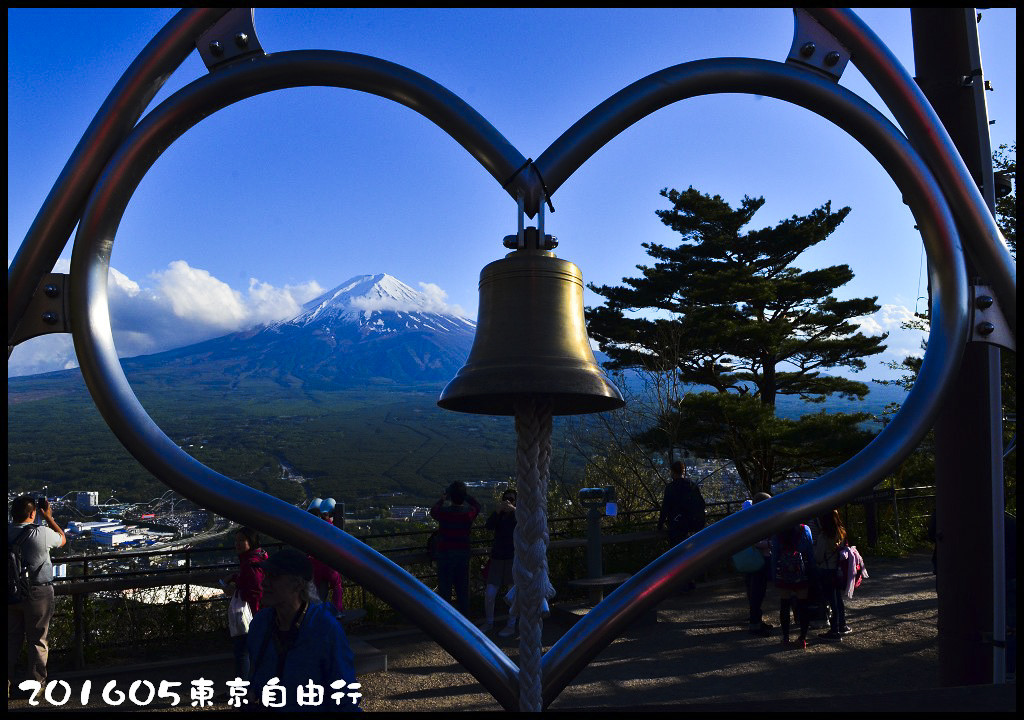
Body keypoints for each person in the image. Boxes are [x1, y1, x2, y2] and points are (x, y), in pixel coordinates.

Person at [248, 548, 359, 712]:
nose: (264, 582)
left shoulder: (325, 628)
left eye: (274, 576)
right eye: (265, 575)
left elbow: (344, 694)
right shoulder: (260, 624)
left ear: (298, 584)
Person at [8, 495, 66, 695]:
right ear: (33, 513)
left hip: (9, 593)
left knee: (11, 639)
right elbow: (62, 539)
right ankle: (35, 683)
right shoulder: (41, 533)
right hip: (37, 592)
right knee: (38, 639)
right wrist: (49, 517)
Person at [429, 481, 481, 616]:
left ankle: (446, 621)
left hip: (445, 555)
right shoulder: (468, 513)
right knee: (462, 590)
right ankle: (465, 621)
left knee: (445, 591)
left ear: (450, 496)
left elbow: (433, 511)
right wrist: (465, 495)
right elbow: (477, 506)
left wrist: (442, 499)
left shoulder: (444, 513)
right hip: (463, 554)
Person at [225, 527, 268, 679]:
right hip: (259, 614)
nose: (237, 544)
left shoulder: (250, 564)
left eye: (241, 540)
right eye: (236, 540)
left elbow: (256, 591)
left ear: (251, 541)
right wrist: (236, 578)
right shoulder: (258, 558)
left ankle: (242, 690)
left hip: (251, 615)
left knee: (242, 653)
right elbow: (250, 581)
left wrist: (235, 591)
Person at [657, 461, 705, 590]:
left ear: (673, 472)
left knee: (676, 556)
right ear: (683, 471)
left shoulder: (671, 488)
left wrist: (660, 525)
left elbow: (665, 508)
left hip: (676, 527)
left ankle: (679, 583)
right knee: (689, 555)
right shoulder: (691, 486)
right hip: (690, 526)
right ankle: (690, 580)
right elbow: (700, 505)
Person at [771, 522, 816, 649]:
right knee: (803, 605)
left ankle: (785, 638)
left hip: (784, 574)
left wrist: (774, 575)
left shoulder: (778, 531)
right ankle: (802, 638)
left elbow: (774, 556)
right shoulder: (805, 530)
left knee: (784, 605)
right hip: (801, 573)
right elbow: (810, 553)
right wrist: (812, 572)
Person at [481, 490, 517, 637]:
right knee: (490, 593)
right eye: (505, 498)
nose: (507, 501)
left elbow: (526, 521)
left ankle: (511, 624)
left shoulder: (517, 515)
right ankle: (489, 622)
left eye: (511, 499)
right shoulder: (499, 515)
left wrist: (514, 510)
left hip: (512, 559)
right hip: (497, 559)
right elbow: (488, 526)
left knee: (512, 595)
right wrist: (497, 512)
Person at [738, 492, 773, 637]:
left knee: (753, 591)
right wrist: (770, 544)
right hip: (760, 559)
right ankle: (755, 624)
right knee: (758, 592)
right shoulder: (759, 520)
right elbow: (757, 542)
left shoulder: (749, 518)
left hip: (750, 560)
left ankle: (756, 620)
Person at [812, 509, 849, 642]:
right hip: (838, 570)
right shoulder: (841, 532)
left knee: (831, 601)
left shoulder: (824, 536)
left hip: (826, 570)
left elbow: (818, 557)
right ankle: (842, 624)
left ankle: (834, 631)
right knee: (838, 599)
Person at [309, 499, 345, 618]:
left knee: (318, 593)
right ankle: (338, 611)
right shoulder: (333, 528)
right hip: (330, 566)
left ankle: (317, 614)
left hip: (316, 565)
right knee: (337, 585)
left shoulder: (314, 529)